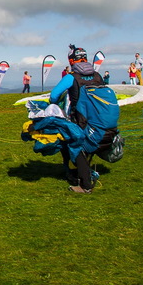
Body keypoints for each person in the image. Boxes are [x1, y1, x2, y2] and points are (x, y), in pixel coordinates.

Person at [49, 45, 105, 193]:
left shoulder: (71, 78)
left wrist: (55, 106)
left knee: (75, 146)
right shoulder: (98, 76)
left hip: (80, 119)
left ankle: (85, 185)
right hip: (99, 119)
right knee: (83, 146)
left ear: (72, 60)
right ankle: (80, 174)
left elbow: (53, 96)